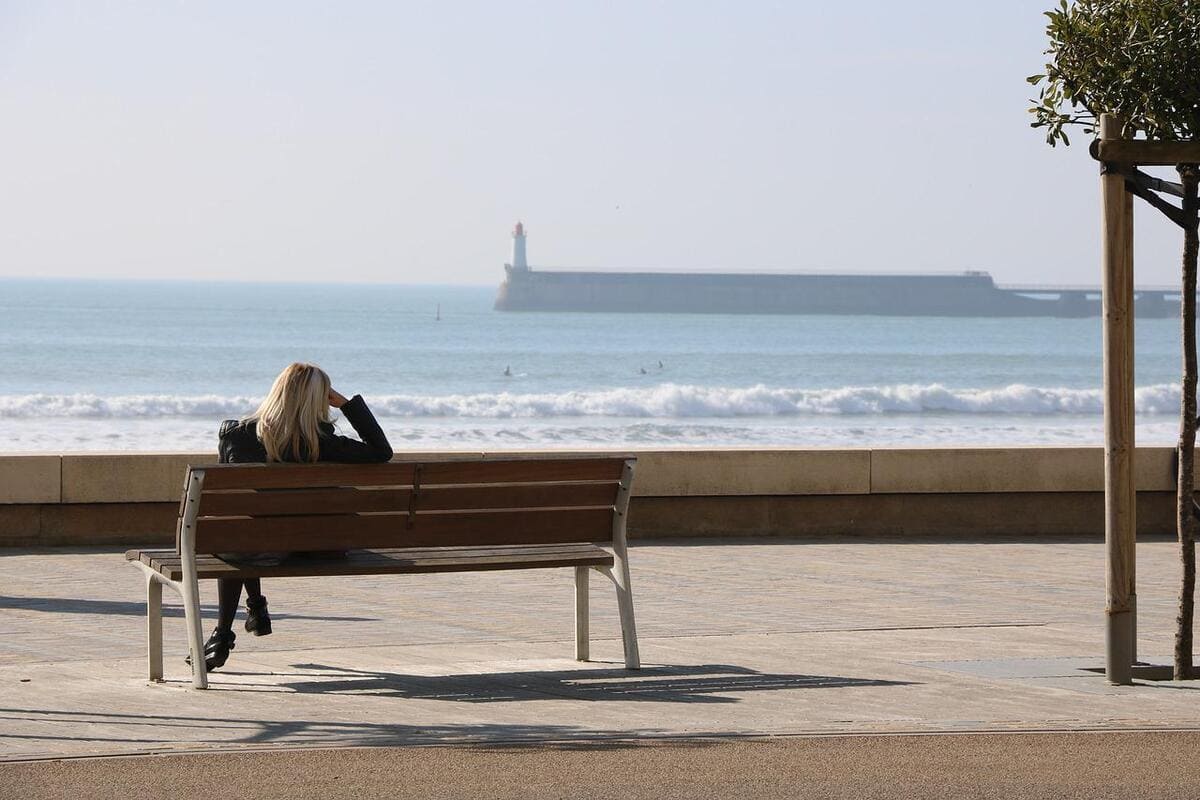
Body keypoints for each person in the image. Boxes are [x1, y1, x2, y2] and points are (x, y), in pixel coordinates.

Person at [190, 362, 393, 671]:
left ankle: (224, 633)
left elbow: (233, 510)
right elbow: (381, 452)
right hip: (319, 548)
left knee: (239, 535)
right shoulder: (325, 442)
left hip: (257, 547)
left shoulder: (237, 435)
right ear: (320, 400)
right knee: (251, 535)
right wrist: (347, 404)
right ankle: (255, 608)